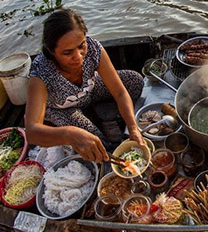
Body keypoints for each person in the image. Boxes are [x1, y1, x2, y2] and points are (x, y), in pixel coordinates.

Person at [24, 9, 146, 163]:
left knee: (135, 81)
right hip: (63, 108)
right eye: (68, 53)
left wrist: (133, 127)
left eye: (81, 46)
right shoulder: (41, 73)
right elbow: (32, 132)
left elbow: (120, 92)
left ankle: (92, 110)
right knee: (97, 143)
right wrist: (69, 134)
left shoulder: (93, 48)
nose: (78, 56)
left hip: (90, 90)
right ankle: (81, 119)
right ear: (51, 51)